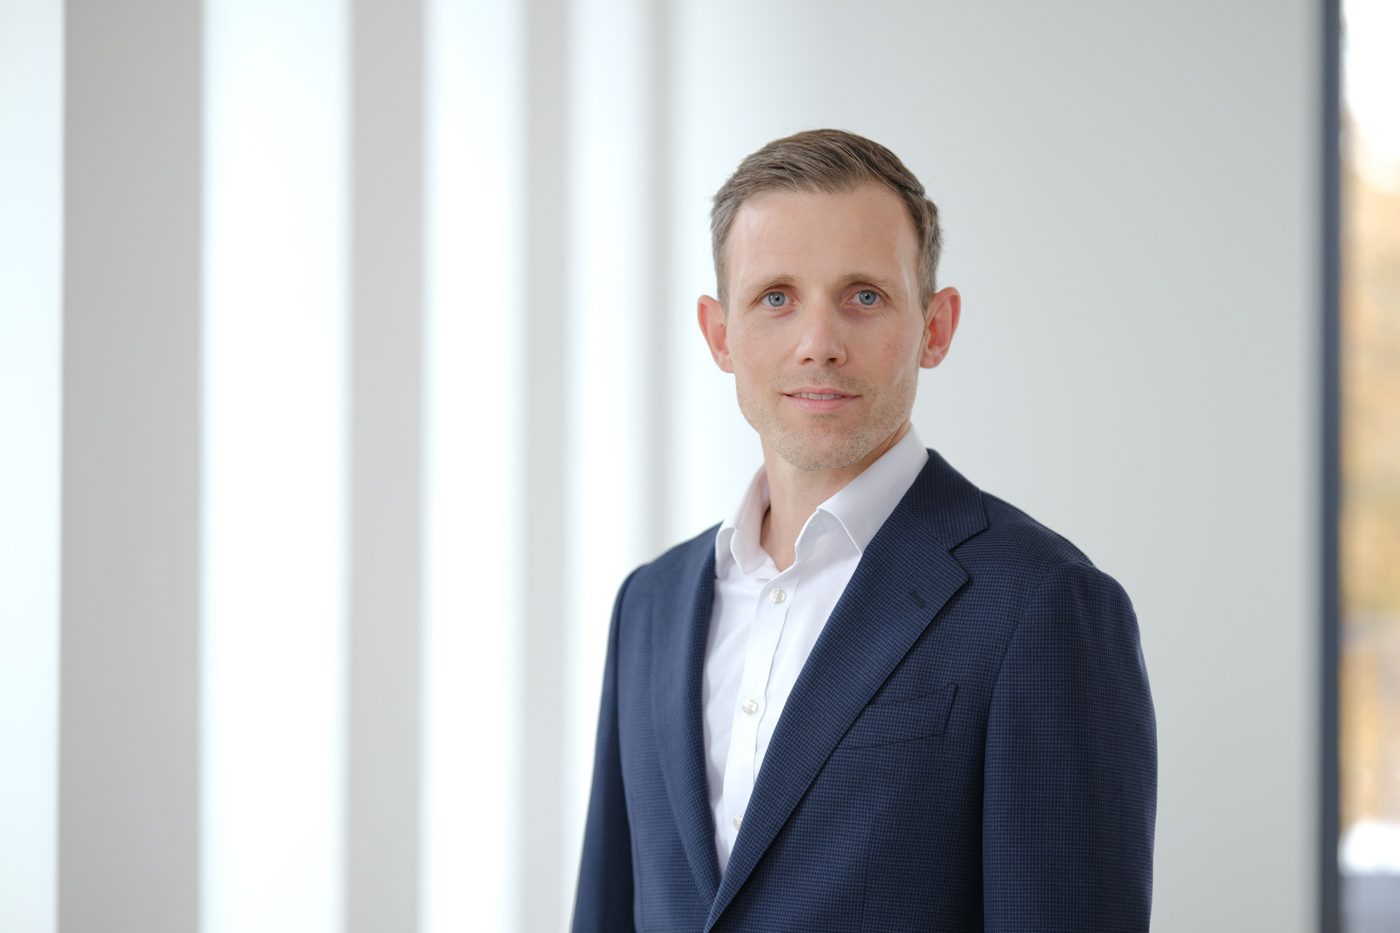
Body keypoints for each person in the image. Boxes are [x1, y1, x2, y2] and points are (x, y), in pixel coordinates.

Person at [572, 129, 1156, 932]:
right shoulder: (650, 606)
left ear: (935, 326)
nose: (819, 344)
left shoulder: (1042, 605)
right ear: (719, 335)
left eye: (864, 296)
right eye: (775, 297)